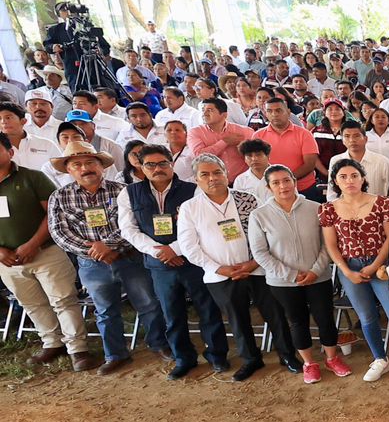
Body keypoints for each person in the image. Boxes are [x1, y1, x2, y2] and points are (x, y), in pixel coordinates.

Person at [46, 140, 168, 374]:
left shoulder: (122, 190)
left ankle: (159, 344)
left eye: (90, 162)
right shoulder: (59, 197)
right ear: (69, 170)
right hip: (91, 264)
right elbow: (59, 234)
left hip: (128, 257)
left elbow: (135, 224)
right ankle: (115, 354)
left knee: (148, 303)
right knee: (104, 310)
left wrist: (109, 246)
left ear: (101, 165)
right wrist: (94, 251)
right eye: (77, 164)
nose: (85, 168)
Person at [116, 143, 231, 379]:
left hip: (195, 261)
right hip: (159, 264)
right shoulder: (129, 193)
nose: (157, 169)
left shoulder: (194, 189)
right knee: (172, 312)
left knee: (208, 310)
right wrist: (159, 251)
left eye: (162, 163)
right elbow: (128, 229)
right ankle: (183, 358)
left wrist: (176, 249)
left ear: (171, 164)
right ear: (140, 166)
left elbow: (204, 225)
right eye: (151, 164)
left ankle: (217, 355)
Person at [175, 154, 288, 381]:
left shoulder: (247, 199)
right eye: (204, 174)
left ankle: (288, 355)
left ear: (226, 174)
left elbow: (268, 235)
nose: (212, 178)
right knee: (237, 318)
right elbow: (188, 247)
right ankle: (251, 359)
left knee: (274, 313)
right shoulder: (190, 208)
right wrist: (220, 268)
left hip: (257, 268)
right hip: (220, 275)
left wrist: (255, 262)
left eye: (217, 172)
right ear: (196, 179)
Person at [319, 160, 389, 383]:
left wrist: (375, 264)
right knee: (366, 317)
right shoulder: (328, 209)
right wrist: (346, 271)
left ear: (363, 178)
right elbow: (331, 244)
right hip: (349, 267)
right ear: (335, 182)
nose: (350, 181)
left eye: (354, 175)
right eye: (343, 177)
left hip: (382, 267)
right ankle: (380, 359)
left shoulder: (383, 203)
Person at [247, 164, 351, 384]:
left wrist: (315, 271)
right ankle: (309, 364)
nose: (283, 186)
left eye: (286, 180)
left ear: (294, 182)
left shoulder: (316, 207)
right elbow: (260, 252)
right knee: (297, 321)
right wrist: (291, 274)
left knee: (325, 319)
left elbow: (328, 244)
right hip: (282, 282)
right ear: (268, 187)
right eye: (276, 182)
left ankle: (332, 359)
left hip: (318, 277)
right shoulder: (259, 215)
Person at [0, 131, 94, 369]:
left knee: (63, 300)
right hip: (7, 260)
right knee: (31, 303)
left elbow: (53, 215)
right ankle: (52, 343)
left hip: (46, 252)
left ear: (10, 152)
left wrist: (33, 244)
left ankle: (77, 348)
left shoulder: (33, 177)